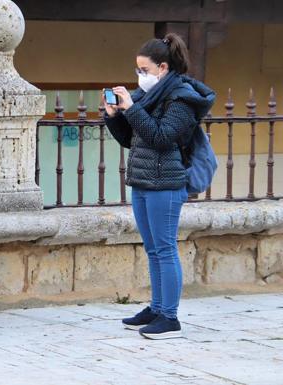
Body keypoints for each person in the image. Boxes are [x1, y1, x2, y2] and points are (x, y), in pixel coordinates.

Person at [103, 33, 215, 339]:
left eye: (145, 71)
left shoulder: (181, 97)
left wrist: (132, 109)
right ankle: (155, 308)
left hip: (165, 183)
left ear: (163, 68)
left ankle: (170, 317)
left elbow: (163, 137)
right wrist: (115, 116)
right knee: (152, 249)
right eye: (137, 71)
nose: (140, 77)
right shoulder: (146, 97)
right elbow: (131, 139)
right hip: (142, 180)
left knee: (165, 249)